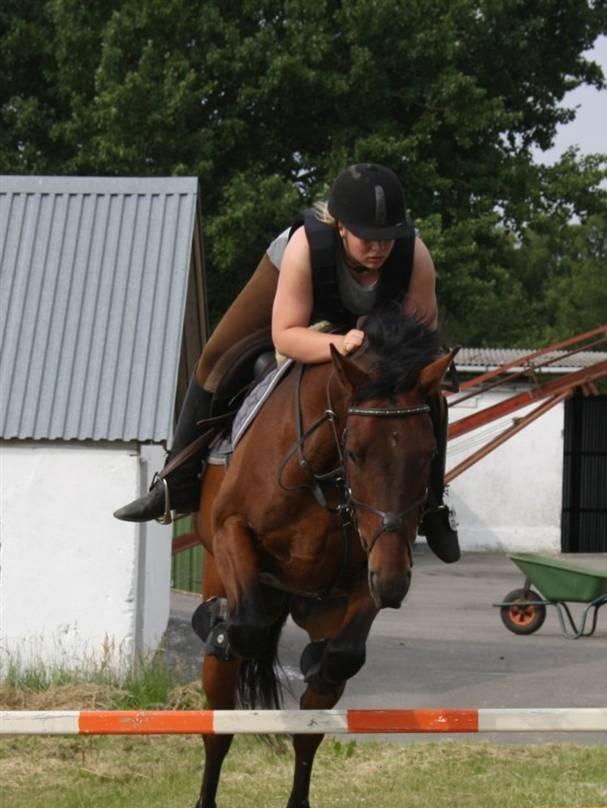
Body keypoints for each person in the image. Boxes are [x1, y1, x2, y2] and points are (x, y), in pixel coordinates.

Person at [114, 163, 460, 563]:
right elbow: (287, 335)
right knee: (219, 355)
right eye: (367, 237)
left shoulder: (415, 256)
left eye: (387, 238)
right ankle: (176, 480)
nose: (379, 249)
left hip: (372, 330)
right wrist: (339, 341)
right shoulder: (304, 247)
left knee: (425, 395)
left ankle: (434, 505)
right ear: (341, 227)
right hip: (292, 306)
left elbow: (417, 347)